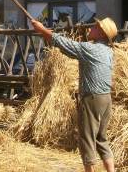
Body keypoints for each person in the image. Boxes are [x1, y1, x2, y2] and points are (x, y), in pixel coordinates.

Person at [31, 17, 117, 172]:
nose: (93, 27)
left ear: (103, 34)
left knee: (87, 139)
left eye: (97, 26)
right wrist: (46, 32)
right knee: (101, 139)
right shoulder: (109, 51)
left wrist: (42, 30)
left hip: (92, 98)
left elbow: (65, 44)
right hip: (106, 98)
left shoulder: (89, 49)